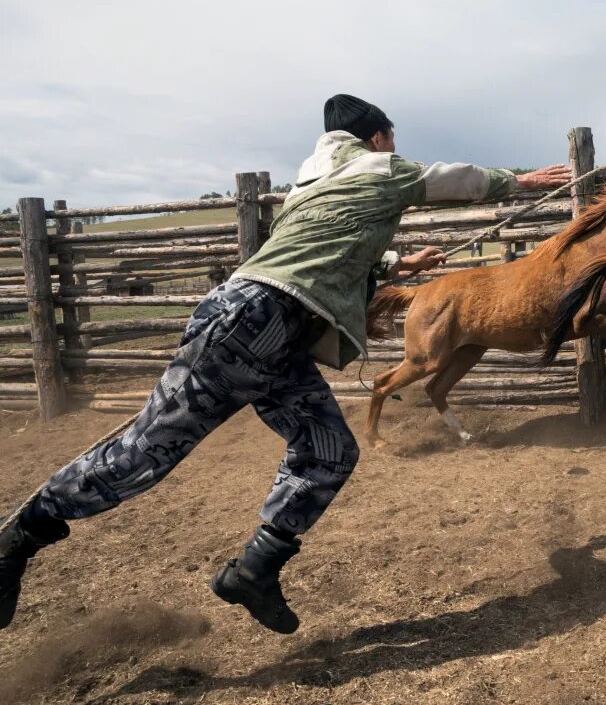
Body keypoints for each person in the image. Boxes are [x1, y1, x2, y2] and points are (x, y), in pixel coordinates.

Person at [0, 94, 572, 634]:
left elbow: (326, 249)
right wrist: (518, 181)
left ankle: (254, 571)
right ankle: (17, 540)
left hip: (277, 337)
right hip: (253, 322)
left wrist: (396, 261)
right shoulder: (380, 168)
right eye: (391, 138)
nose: (395, 147)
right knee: (145, 453)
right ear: (376, 136)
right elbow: (447, 179)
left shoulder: (314, 185)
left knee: (330, 450)